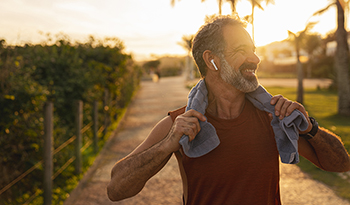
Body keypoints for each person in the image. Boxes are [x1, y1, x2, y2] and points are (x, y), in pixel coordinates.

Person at [107, 15, 350, 204]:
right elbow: (116, 189)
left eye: (253, 50)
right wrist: (167, 144)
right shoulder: (178, 124)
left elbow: (341, 164)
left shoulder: (273, 117)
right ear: (212, 60)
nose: (255, 58)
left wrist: (309, 127)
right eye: (241, 50)